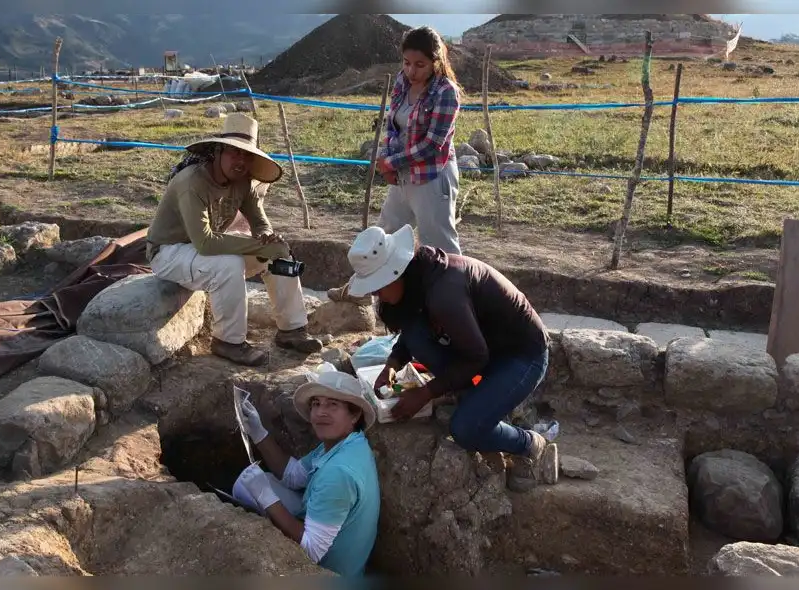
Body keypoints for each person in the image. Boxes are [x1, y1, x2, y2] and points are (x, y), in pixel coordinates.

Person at [345, 224, 558, 488]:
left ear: (395, 273)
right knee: (418, 336)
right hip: (483, 349)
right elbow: (412, 330)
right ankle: (479, 402)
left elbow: (476, 358)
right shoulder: (419, 278)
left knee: (465, 429)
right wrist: (393, 363)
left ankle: (530, 443)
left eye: (377, 287)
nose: (376, 295)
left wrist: (425, 393)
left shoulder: (444, 293)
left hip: (522, 356)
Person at [146, 113, 323, 366]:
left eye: (246, 155)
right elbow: (205, 243)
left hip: (205, 249)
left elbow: (259, 220)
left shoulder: (244, 182)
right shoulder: (192, 182)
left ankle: (292, 329)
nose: (240, 160)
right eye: (233, 152)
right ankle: (228, 341)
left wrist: (266, 237)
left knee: (279, 254)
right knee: (229, 264)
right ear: (218, 151)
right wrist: (259, 246)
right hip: (169, 253)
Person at [329, 25, 463, 305]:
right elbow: (393, 126)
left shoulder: (445, 93)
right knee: (384, 234)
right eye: (406, 63)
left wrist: (391, 162)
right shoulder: (402, 82)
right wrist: (389, 159)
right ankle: (359, 291)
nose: (412, 71)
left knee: (439, 245)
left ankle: (457, 301)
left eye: (420, 65)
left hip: (431, 177)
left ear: (436, 62)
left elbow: (432, 145)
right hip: (402, 174)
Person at [232, 370, 381, 577]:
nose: (321, 412)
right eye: (316, 404)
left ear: (355, 415)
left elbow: (312, 551)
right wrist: (259, 433)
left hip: (330, 572)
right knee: (255, 483)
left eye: (333, 405)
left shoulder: (338, 473)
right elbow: (293, 475)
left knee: (253, 492)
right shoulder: (346, 442)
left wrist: (267, 498)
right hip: (344, 555)